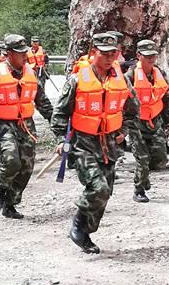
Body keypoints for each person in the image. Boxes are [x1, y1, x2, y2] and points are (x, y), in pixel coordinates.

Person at [51, 32, 140, 253]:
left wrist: (124, 130)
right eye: (104, 53)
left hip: (109, 143)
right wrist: (62, 139)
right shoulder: (77, 79)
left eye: (113, 54)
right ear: (93, 53)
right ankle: (78, 225)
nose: (109, 58)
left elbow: (133, 110)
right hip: (82, 142)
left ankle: (87, 233)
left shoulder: (122, 79)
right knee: (97, 187)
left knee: (105, 192)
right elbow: (60, 113)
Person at [0, 35, 54, 219]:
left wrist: (56, 122)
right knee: (11, 160)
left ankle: (10, 204)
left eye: (25, 52)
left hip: (26, 125)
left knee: (26, 166)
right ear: (9, 53)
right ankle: (0, 189)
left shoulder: (30, 73)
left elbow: (43, 102)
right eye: (19, 53)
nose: (24, 56)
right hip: (2, 124)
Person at [123, 39, 169, 202]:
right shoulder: (130, 76)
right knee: (142, 158)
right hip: (136, 123)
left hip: (155, 120)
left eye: (153, 55)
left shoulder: (159, 73)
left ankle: (144, 177)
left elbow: (166, 97)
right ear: (139, 56)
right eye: (147, 56)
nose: (151, 59)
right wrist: (122, 126)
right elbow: (122, 102)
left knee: (161, 159)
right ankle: (139, 190)